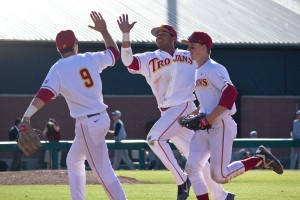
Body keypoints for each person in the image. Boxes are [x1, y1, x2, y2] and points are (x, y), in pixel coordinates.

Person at [117, 14, 235, 200]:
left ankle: (182, 180)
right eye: (157, 34)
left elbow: (208, 65)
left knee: (154, 138)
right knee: (195, 160)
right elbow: (127, 61)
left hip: (184, 107)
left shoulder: (188, 55)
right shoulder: (150, 58)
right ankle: (221, 195)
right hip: (167, 113)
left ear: (174, 38)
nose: (159, 37)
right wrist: (125, 36)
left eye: (163, 34)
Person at [20, 11, 126, 200]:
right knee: (74, 160)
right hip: (100, 118)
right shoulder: (89, 58)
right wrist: (104, 31)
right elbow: (114, 54)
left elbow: (44, 94)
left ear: (59, 50)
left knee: (102, 171)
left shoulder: (58, 68)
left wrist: (26, 116)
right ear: (75, 44)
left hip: (88, 123)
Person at [181, 31, 284, 200]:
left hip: (220, 125)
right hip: (205, 126)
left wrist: (209, 118)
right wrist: (192, 115)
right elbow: (209, 101)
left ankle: (258, 159)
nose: (188, 48)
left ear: (204, 47)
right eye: (188, 45)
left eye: (192, 45)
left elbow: (230, 92)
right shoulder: (198, 70)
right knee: (192, 167)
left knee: (219, 176)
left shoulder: (213, 68)